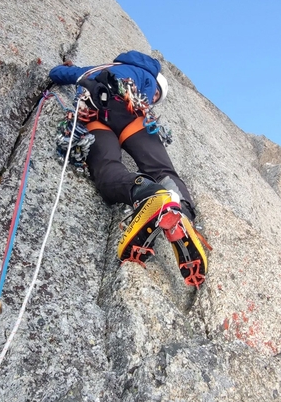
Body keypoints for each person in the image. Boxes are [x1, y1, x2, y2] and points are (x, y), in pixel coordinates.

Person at [49, 50, 208, 288]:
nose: (153, 98)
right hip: (132, 114)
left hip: (95, 111)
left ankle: (145, 193)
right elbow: (142, 98)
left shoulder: (97, 68)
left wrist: (70, 71)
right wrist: (143, 99)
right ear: (156, 85)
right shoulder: (148, 77)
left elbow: (58, 73)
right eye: (156, 96)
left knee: (106, 169)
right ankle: (181, 216)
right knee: (162, 169)